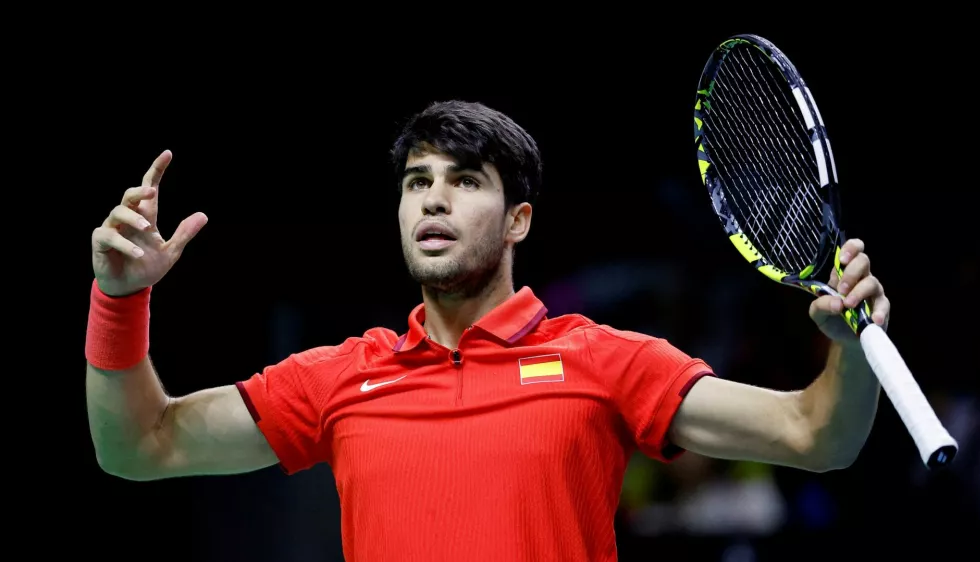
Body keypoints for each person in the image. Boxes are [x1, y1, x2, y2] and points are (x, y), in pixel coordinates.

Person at [85, 100, 890, 561]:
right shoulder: (339, 377)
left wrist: (849, 354)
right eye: (417, 183)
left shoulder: (603, 362)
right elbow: (138, 448)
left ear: (518, 221)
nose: (433, 200)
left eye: (465, 181)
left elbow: (817, 435)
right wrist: (119, 301)